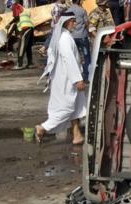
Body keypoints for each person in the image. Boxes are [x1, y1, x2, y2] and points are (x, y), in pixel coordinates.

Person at [36, 12, 86, 145]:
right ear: (67, 21)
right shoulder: (64, 38)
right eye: (73, 21)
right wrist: (77, 79)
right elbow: (68, 59)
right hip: (66, 79)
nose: (75, 24)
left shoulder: (66, 36)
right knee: (66, 107)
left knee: (76, 108)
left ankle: (77, 135)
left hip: (67, 77)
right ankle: (43, 127)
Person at [67, 0, 91, 81]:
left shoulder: (68, 10)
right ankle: (87, 77)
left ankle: (74, 77)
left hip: (72, 37)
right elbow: (87, 23)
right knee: (86, 56)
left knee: (73, 56)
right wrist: (90, 34)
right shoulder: (82, 10)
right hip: (83, 36)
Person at [6, 4, 35, 70]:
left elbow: (16, 18)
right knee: (28, 47)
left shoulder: (19, 14)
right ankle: (30, 63)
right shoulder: (26, 12)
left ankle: (19, 64)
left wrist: (9, 24)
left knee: (21, 47)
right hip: (31, 28)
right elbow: (15, 22)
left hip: (25, 28)